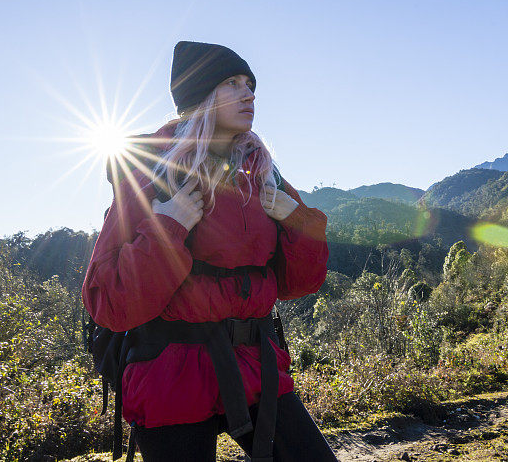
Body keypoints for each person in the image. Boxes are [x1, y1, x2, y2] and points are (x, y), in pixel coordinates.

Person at [82, 41, 338, 461]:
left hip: (256, 363)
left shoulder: (261, 170)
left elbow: (301, 283)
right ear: (200, 96)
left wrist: (298, 221)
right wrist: (170, 225)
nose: (249, 93)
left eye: (250, 84)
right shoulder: (152, 172)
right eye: (232, 83)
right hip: (171, 375)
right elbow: (107, 300)